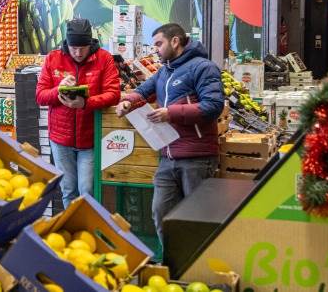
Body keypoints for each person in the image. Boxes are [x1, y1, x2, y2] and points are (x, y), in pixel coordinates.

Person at [115, 23, 224, 243]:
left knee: (197, 221)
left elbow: (213, 105)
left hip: (197, 158)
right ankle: (171, 265)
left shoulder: (203, 67)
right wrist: (127, 102)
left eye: (158, 43)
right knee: (162, 215)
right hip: (167, 157)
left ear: (175, 41)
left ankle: (196, 270)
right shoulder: (165, 71)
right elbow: (143, 91)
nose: (155, 49)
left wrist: (171, 113)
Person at [36, 18, 120, 208]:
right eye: (74, 48)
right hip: (60, 140)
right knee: (68, 189)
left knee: (87, 190)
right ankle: (73, 233)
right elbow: (40, 96)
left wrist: (86, 103)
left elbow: (114, 94)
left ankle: (89, 233)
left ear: (90, 42)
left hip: (89, 139)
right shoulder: (53, 58)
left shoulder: (104, 59)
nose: (78, 53)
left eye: (83, 47)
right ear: (67, 43)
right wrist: (58, 89)